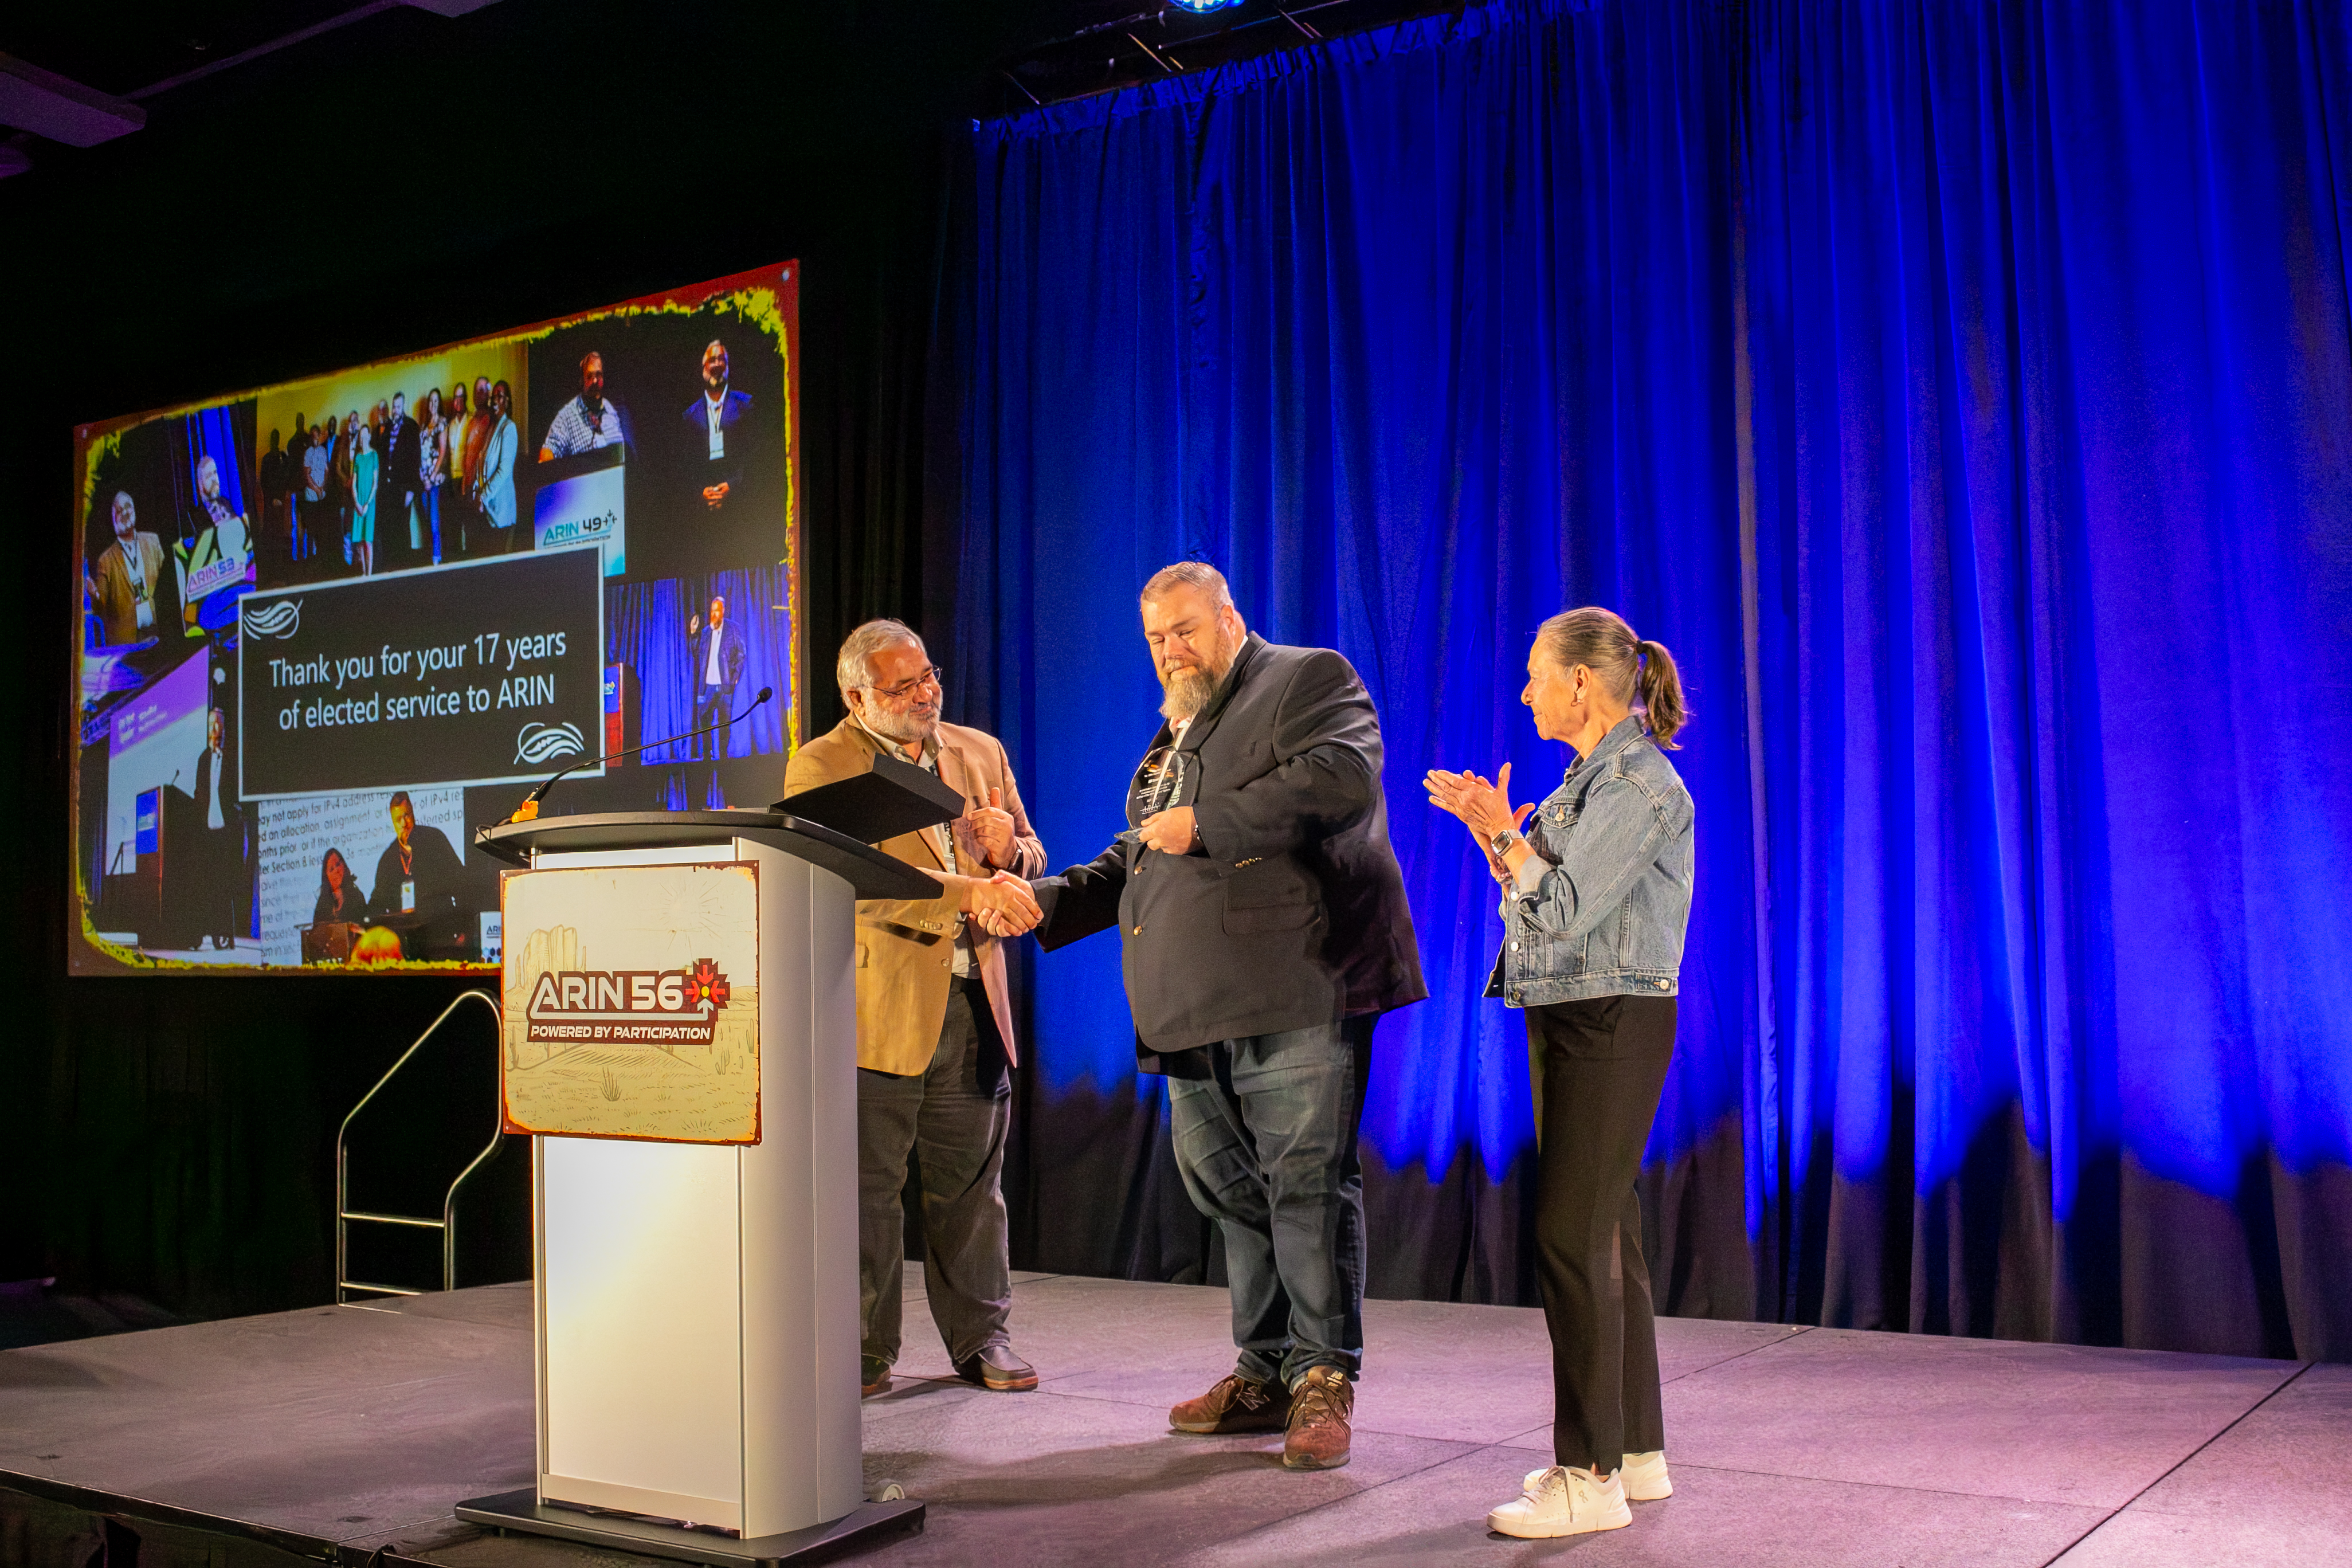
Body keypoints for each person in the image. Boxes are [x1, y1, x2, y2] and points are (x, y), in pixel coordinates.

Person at [1014, 562, 1425, 1472]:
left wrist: (1206, 822)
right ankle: (1267, 1370)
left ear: (1231, 618)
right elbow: (1141, 852)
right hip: (1192, 1003)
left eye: (1186, 630)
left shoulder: (1305, 677)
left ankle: (1323, 1378)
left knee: (1306, 1185)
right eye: (1157, 638)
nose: (1171, 651)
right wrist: (1044, 901)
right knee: (1225, 1188)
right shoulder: (1177, 727)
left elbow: (1339, 782)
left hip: (1296, 981)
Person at [1424, 606, 1694, 1540]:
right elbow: (1537, 908)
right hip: (1578, 1013)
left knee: (1569, 1238)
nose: (1527, 689)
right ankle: (1636, 1454)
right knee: (1604, 1232)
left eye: (1538, 672)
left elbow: (1564, 907)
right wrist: (1490, 830)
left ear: (1581, 682)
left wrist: (1504, 831)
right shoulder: (1585, 780)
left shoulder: (1637, 781)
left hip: (1610, 1019)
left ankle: (1588, 1473)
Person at [779, 620, 1048, 1400]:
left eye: (929, 675)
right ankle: (863, 1353)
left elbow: (1031, 850)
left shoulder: (979, 751)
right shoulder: (824, 764)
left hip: (974, 1004)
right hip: (876, 1011)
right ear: (857, 697)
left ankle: (982, 1339)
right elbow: (849, 882)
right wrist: (974, 893)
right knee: (866, 1194)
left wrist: (1011, 853)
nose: (927, 693)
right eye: (904, 686)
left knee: (971, 1189)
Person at [368, 790, 465, 943]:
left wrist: (463, 928)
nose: (404, 823)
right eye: (399, 819)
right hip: (406, 940)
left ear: (413, 813)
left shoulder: (434, 839)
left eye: (407, 816)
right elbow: (378, 902)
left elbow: (460, 881)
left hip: (440, 933)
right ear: (393, 822)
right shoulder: (388, 859)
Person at [86, 489, 173, 645]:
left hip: (159, 632)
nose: (125, 512)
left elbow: (169, 583)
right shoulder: (106, 560)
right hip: (128, 642)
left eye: (128, 507)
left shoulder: (153, 542)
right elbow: (101, 606)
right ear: (113, 521)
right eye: (119, 511)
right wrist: (94, 595)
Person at [684, 594, 746, 803]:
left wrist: (735, 678)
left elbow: (741, 654)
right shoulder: (705, 633)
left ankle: (723, 755)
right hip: (708, 686)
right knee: (704, 721)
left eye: (717, 611)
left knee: (724, 723)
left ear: (723, 612)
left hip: (725, 686)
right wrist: (693, 634)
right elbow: (696, 654)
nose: (713, 615)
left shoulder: (732, 629)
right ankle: (708, 755)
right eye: (712, 611)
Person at [190, 707, 243, 950]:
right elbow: (200, 793)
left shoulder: (233, 757)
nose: (215, 730)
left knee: (225, 886)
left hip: (227, 832)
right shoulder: (203, 758)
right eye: (212, 724)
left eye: (219, 724)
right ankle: (209, 935)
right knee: (207, 886)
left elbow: (238, 792)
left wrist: (237, 813)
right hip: (206, 833)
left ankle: (227, 935)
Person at [682, 338, 753, 512]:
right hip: (703, 508)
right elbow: (685, 467)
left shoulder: (745, 405)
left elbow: (755, 457)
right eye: (712, 360)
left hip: (741, 503)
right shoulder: (690, 416)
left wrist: (733, 486)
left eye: (722, 359)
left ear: (728, 366)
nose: (717, 364)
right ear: (703, 367)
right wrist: (701, 492)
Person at [539, 350, 629, 460]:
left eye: (599, 375)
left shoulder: (611, 409)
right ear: (582, 380)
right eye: (590, 376)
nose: (595, 380)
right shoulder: (567, 416)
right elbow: (548, 451)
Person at [378, 390, 421, 569]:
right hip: (387, 490)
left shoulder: (411, 427)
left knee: (403, 530)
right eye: (393, 407)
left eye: (398, 406)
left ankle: (403, 570)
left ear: (403, 406)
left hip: (404, 489)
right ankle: (390, 569)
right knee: (389, 529)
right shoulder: (386, 428)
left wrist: (411, 490)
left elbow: (415, 458)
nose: (395, 410)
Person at [473, 381, 519, 546]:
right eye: (493, 397)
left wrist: (484, 495)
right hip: (487, 510)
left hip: (501, 512)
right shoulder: (491, 428)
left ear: (507, 401)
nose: (494, 401)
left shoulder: (509, 428)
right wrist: (476, 493)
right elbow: (481, 464)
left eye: (499, 396)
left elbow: (504, 469)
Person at [415, 387, 448, 566]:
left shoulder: (442, 423)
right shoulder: (423, 426)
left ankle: (437, 558)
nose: (433, 404)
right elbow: (419, 453)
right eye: (431, 401)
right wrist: (422, 475)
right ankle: (430, 556)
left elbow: (442, 452)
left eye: (436, 401)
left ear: (439, 404)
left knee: (435, 520)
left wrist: (431, 477)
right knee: (426, 519)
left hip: (434, 481)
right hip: (423, 480)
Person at [442, 382, 473, 556]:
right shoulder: (451, 424)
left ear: (466, 399)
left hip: (466, 478)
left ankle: (467, 557)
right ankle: (456, 558)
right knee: (453, 521)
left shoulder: (471, 421)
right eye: (456, 397)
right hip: (452, 479)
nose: (458, 401)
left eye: (461, 397)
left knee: (467, 521)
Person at [348, 422, 379, 576]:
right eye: (361, 436)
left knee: (368, 541)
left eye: (366, 435)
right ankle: (362, 573)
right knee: (360, 541)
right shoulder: (358, 458)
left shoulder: (374, 456)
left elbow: (375, 483)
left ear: (370, 437)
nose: (364, 438)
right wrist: (357, 503)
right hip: (358, 503)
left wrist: (367, 504)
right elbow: (353, 483)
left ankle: (370, 574)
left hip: (369, 504)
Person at [300, 416, 332, 566]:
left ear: (319, 436)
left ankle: (321, 557)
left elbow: (326, 471)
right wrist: (317, 489)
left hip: (321, 495)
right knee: (311, 527)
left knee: (321, 526)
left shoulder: (323, 451)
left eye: (316, 435)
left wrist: (323, 487)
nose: (315, 438)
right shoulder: (307, 453)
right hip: (311, 495)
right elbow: (306, 475)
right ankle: (310, 559)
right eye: (312, 436)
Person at [313, 845, 363, 926]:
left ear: (344, 866)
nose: (336, 871)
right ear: (326, 876)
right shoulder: (322, 904)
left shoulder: (357, 897)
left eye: (338, 864)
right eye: (332, 869)